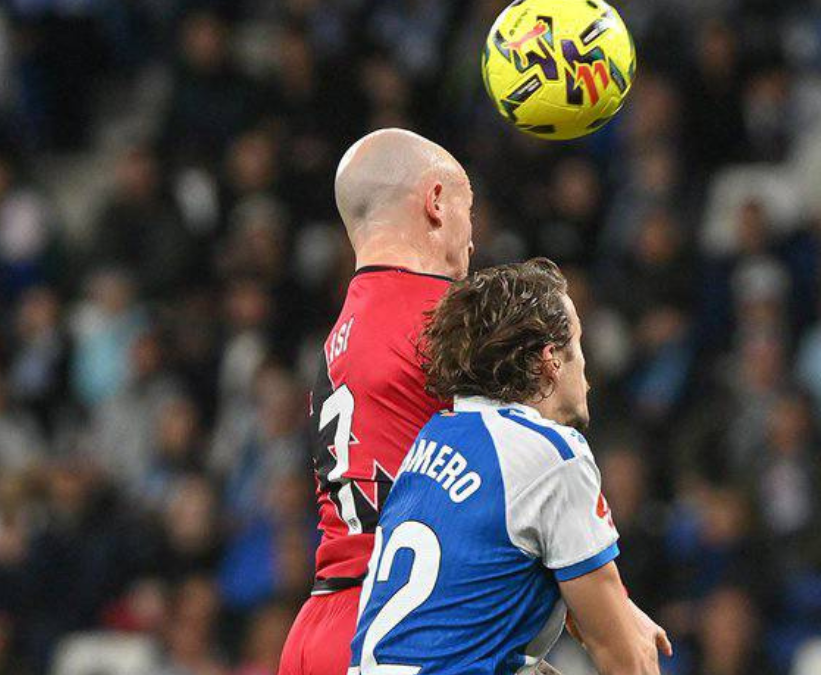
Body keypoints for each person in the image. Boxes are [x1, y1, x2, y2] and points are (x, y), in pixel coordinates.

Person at [350, 259, 671, 675]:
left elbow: (478, 590)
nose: (586, 370)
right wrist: (624, 630)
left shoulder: (433, 437)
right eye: (578, 345)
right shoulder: (552, 453)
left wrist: (617, 608)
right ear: (550, 359)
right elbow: (624, 656)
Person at [278, 128, 475, 675]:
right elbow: (527, 480)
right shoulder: (448, 319)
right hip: (400, 623)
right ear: (436, 202)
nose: (472, 233)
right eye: (468, 208)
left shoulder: (337, 337)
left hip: (317, 624)